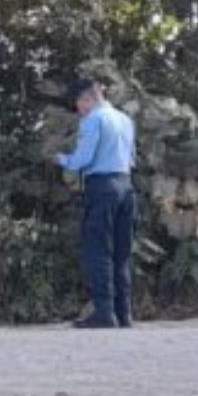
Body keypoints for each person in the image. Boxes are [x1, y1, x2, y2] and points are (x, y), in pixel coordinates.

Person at [54, 78, 137, 329]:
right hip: (126, 186)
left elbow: (83, 159)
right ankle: (124, 313)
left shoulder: (93, 120)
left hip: (102, 187)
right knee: (121, 254)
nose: (78, 109)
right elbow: (132, 158)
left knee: (98, 251)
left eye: (78, 103)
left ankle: (104, 313)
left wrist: (61, 159)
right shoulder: (125, 119)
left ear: (87, 98)